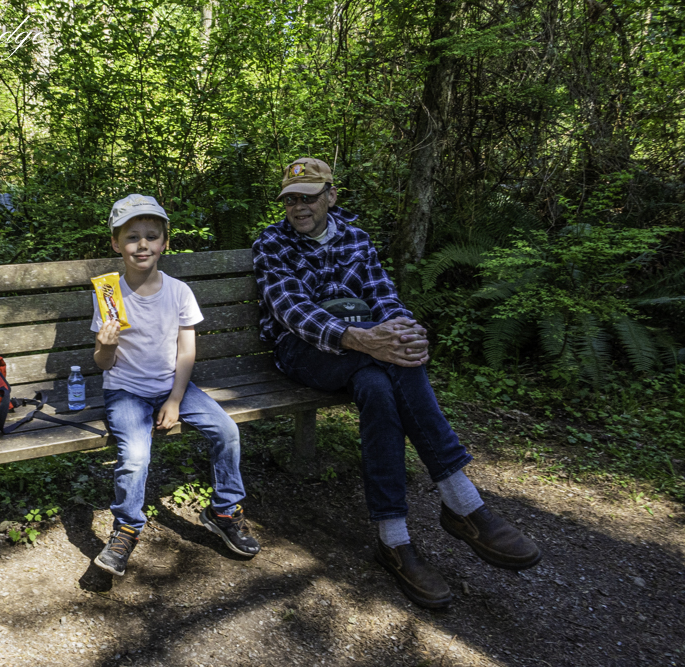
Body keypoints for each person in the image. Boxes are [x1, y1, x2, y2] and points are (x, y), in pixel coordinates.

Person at [252, 158, 540, 609]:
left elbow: (384, 296)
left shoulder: (357, 239)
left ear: (331, 195)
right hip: (304, 351)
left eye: (307, 196)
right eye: (290, 199)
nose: (298, 206)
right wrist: (360, 337)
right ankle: (463, 502)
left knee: (378, 386)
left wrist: (404, 330)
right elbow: (291, 310)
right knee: (389, 362)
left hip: (367, 352)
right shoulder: (272, 242)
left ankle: (394, 540)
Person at [91, 193, 261, 576]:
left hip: (173, 386)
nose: (142, 245)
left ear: (164, 243)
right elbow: (104, 363)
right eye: (132, 237)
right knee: (136, 456)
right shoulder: (109, 295)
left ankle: (223, 511)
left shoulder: (179, 292)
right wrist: (105, 345)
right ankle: (126, 529)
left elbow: (186, 351)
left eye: (152, 236)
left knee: (227, 430)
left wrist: (175, 399)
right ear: (116, 244)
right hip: (126, 391)